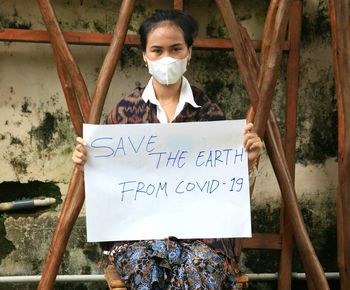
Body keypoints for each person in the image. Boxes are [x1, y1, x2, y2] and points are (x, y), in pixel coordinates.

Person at [73, 9, 263, 290]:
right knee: (144, 268)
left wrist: (247, 161)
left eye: (176, 49)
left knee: (200, 270)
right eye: (157, 50)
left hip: (202, 236)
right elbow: (111, 180)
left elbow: (226, 186)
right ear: (144, 56)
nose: (166, 59)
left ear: (189, 52)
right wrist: (86, 163)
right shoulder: (124, 111)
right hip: (137, 234)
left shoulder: (209, 113)